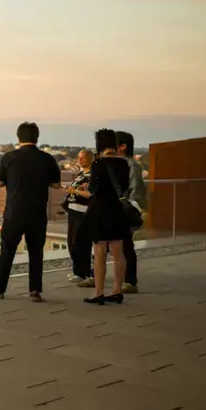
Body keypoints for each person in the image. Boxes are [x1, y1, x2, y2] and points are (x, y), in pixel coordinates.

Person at [0, 122, 61, 302]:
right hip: (38, 212)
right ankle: (35, 290)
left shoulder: (9, 158)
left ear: (18, 137)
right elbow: (55, 184)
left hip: (14, 212)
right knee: (36, 252)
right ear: (36, 138)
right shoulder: (47, 159)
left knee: (7, 251)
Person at [84, 129, 131, 305]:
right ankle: (117, 290)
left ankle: (99, 292)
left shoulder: (98, 164)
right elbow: (125, 187)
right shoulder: (123, 164)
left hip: (100, 211)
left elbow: (92, 190)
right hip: (117, 210)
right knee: (118, 252)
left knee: (99, 253)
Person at [116, 131, 147, 294]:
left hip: (122, 210)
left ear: (122, 147)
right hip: (111, 209)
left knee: (126, 245)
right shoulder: (114, 164)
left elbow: (137, 192)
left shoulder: (131, 165)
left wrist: (127, 207)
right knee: (106, 244)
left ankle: (130, 280)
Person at [65, 149, 95, 286]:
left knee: (80, 242)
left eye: (82, 158)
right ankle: (78, 270)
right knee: (72, 241)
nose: (79, 160)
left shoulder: (93, 175)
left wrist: (75, 190)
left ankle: (83, 272)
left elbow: (90, 194)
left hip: (83, 212)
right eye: (78, 158)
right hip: (73, 210)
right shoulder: (81, 174)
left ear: (90, 159)